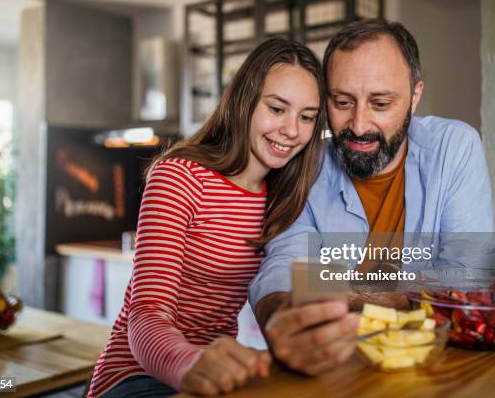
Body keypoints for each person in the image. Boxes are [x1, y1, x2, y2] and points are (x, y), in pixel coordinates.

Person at [248, 18, 494, 376]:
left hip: (437, 364)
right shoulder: (305, 162)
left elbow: (467, 275)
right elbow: (288, 263)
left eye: (380, 103)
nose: (359, 125)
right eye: (343, 102)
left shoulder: (455, 147)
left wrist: (352, 296)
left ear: (415, 96)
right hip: (334, 367)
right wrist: (279, 314)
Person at [87, 37, 328, 397]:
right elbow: (147, 313)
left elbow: (324, 271)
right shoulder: (179, 177)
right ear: (244, 101)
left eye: (306, 117)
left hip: (217, 379)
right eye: (277, 109)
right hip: (138, 375)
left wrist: (415, 280)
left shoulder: (285, 199)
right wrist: (190, 363)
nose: (292, 130)